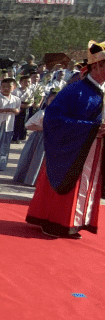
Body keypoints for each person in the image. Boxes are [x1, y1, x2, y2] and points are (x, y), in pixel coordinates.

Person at [26, 42, 105, 238]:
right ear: (96, 66)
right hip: (70, 148)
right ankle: (52, 221)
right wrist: (90, 128)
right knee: (67, 182)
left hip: (94, 148)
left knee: (85, 185)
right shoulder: (75, 90)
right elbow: (53, 118)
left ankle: (74, 222)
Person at [13, 92, 54, 187]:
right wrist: (44, 128)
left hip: (52, 140)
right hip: (38, 139)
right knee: (35, 158)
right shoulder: (42, 113)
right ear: (47, 101)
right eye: (52, 100)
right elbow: (28, 125)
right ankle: (29, 178)